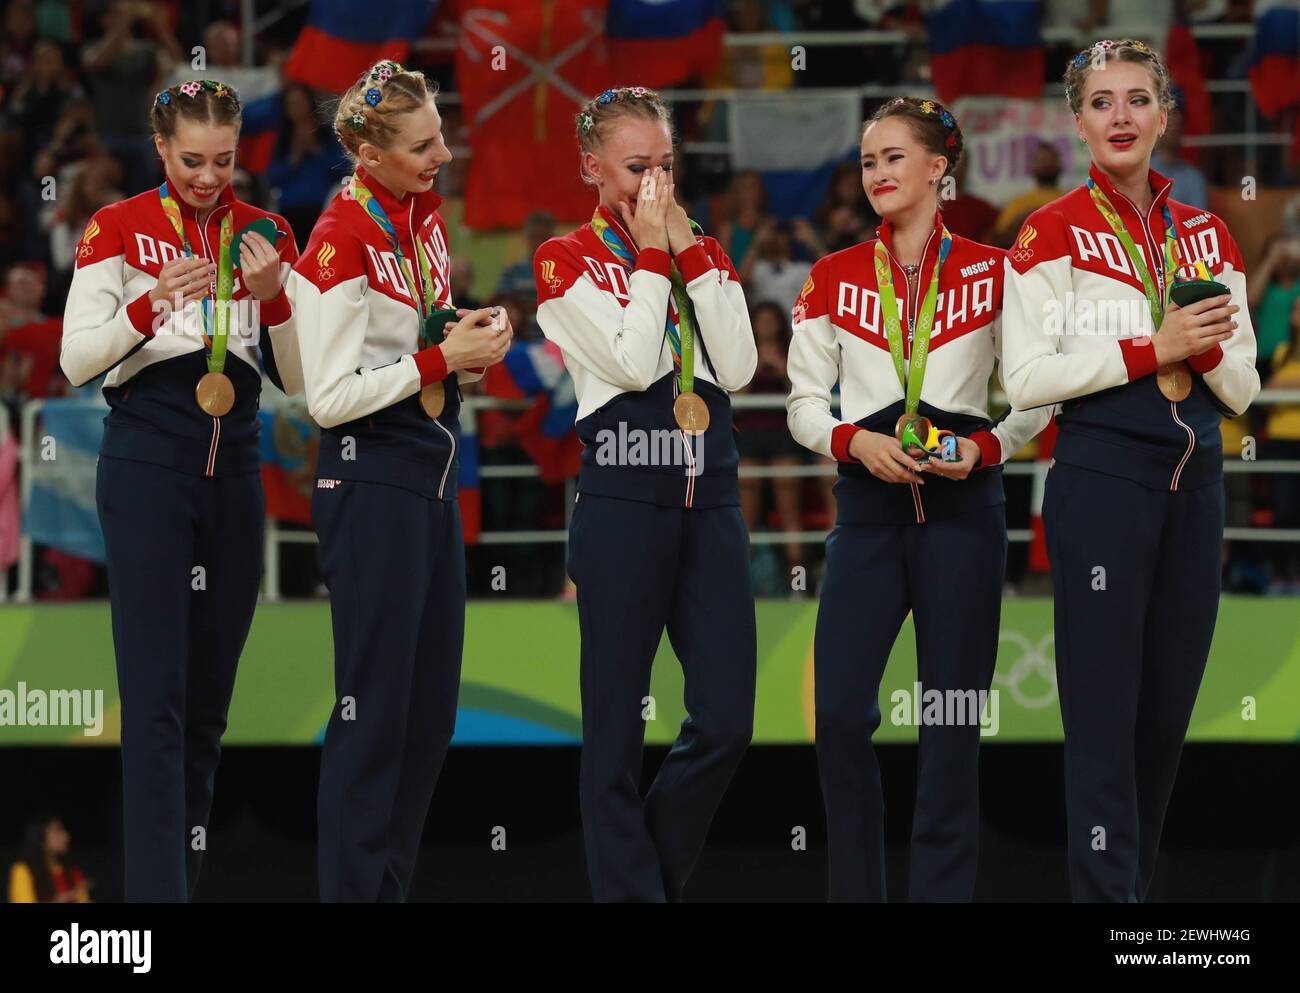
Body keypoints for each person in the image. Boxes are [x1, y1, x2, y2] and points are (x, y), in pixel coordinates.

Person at [1001, 39, 1260, 902]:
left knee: (1163, 723)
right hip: (1102, 481)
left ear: (1162, 115)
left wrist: (1204, 343)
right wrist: (1156, 346)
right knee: (1104, 723)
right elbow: (1027, 380)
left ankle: (1128, 907)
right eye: (1102, 102)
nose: (1121, 116)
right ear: (1077, 122)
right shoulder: (1049, 230)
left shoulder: (1208, 231)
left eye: (1137, 99)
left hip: (1199, 485)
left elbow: (1246, 387)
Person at [786, 95, 1051, 902]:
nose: (878, 174)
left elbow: (1038, 395)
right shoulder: (831, 276)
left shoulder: (998, 269)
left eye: (894, 157)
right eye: (868, 161)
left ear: (939, 167)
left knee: (952, 723)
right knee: (836, 717)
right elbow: (801, 405)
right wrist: (853, 441)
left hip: (965, 515)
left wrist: (988, 447)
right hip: (866, 512)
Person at [60, 77, 301, 901]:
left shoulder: (268, 232)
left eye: (224, 160)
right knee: (156, 704)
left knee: (206, 712)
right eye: (191, 159)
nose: (207, 176)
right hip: (148, 462)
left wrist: (275, 305)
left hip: (235, 466)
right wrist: (146, 306)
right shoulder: (116, 226)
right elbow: (75, 359)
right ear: (161, 150)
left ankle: (176, 891)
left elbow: (297, 379)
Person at [287, 61, 512, 902]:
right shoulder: (340, 238)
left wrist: (464, 341)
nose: (443, 155)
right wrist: (435, 359)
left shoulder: (420, 222)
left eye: (442, 135)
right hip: (368, 477)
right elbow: (327, 397)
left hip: (429, 470)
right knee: (373, 718)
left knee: (428, 720)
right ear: (367, 153)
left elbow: (415, 338)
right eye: (422, 145)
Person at [533, 85, 758, 902]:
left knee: (730, 719)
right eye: (636, 168)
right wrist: (658, 254)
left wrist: (687, 251)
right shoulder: (564, 256)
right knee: (615, 735)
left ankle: (642, 885)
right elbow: (631, 359)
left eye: (666, 165)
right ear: (592, 168)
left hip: (714, 504)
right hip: (624, 500)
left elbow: (738, 369)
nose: (655, 185)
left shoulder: (706, 246)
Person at [8, 814, 91, 903]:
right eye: (58, 831)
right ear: (40, 839)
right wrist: (58, 900)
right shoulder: (23, 870)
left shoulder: (73, 871)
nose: (67, 835)